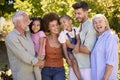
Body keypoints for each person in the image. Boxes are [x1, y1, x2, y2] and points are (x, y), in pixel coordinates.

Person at [5, 10, 44, 80]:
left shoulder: (28, 33)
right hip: (23, 76)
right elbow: (23, 54)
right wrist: (38, 62)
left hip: (34, 74)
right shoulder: (11, 38)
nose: (29, 22)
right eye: (26, 20)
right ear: (19, 23)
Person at [68, 1, 97, 80]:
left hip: (85, 68)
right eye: (75, 13)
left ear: (86, 12)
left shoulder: (90, 27)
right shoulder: (79, 27)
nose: (76, 16)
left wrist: (70, 45)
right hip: (75, 67)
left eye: (79, 13)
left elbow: (88, 50)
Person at [91, 14, 119, 80]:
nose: (98, 24)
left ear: (105, 23)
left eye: (100, 21)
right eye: (95, 23)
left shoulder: (110, 37)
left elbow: (111, 61)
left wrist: (105, 78)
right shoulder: (99, 38)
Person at [41, 12, 65, 80]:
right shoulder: (44, 38)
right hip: (46, 70)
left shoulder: (63, 37)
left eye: (57, 24)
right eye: (53, 26)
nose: (56, 27)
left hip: (59, 70)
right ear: (48, 28)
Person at [58, 15, 81, 80]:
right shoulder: (62, 34)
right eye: (61, 23)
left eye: (64, 22)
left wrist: (77, 46)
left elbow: (78, 39)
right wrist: (67, 58)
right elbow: (64, 47)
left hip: (75, 48)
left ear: (70, 21)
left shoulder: (75, 29)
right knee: (73, 61)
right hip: (68, 51)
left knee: (78, 61)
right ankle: (79, 78)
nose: (62, 24)